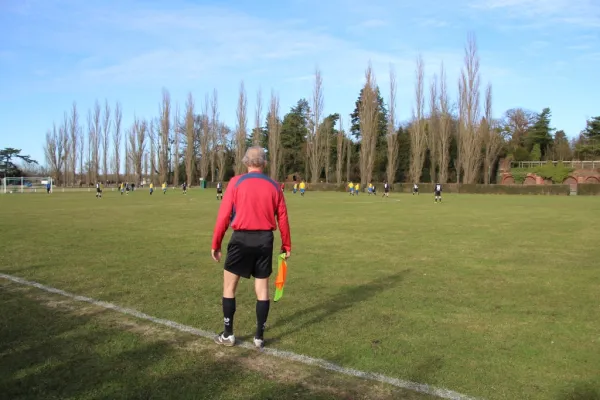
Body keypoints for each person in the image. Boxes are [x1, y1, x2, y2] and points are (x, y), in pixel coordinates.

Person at [211, 146, 291, 349]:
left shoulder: (236, 182)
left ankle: (228, 334)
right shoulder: (274, 186)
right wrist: (286, 244)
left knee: (229, 287)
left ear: (246, 162)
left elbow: (224, 216)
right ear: (264, 163)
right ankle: (259, 337)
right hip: (265, 240)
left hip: (241, 239)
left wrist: (216, 243)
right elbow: (282, 217)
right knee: (262, 289)